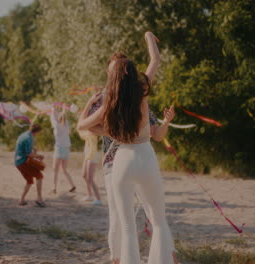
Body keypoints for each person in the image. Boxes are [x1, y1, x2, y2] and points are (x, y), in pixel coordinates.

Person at [78, 32, 178, 264]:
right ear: (131, 74)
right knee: (159, 221)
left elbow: (83, 125)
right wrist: (148, 37)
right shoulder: (142, 89)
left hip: (121, 161)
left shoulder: (108, 102)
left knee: (127, 227)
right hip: (145, 156)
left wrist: (88, 106)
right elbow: (155, 60)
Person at [14, 124, 46, 207]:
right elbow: (29, 154)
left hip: (17, 162)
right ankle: (39, 198)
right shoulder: (29, 138)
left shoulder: (24, 134)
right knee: (39, 176)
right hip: (23, 162)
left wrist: (34, 149)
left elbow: (24, 148)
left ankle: (21, 200)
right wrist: (39, 156)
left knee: (29, 181)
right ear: (37, 132)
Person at [49, 105, 76, 194]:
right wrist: (63, 108)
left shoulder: (56, 125)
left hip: (59, 149)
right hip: (67, 149)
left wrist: (53, 109)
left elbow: (53, 116)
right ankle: (72, 185)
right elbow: (63, 115)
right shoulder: (66, 124)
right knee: (64, 169)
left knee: (55, 170)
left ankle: (53, 187)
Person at [77, 127, 101, 205]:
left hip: (92, 155)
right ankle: (89, 195)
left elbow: (82, 133)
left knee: (90, 179)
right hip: (87, 155)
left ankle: (98, 199)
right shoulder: (87, 131)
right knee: (84, 175)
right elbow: (82, 134)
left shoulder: (92, 131)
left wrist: (79, 127)